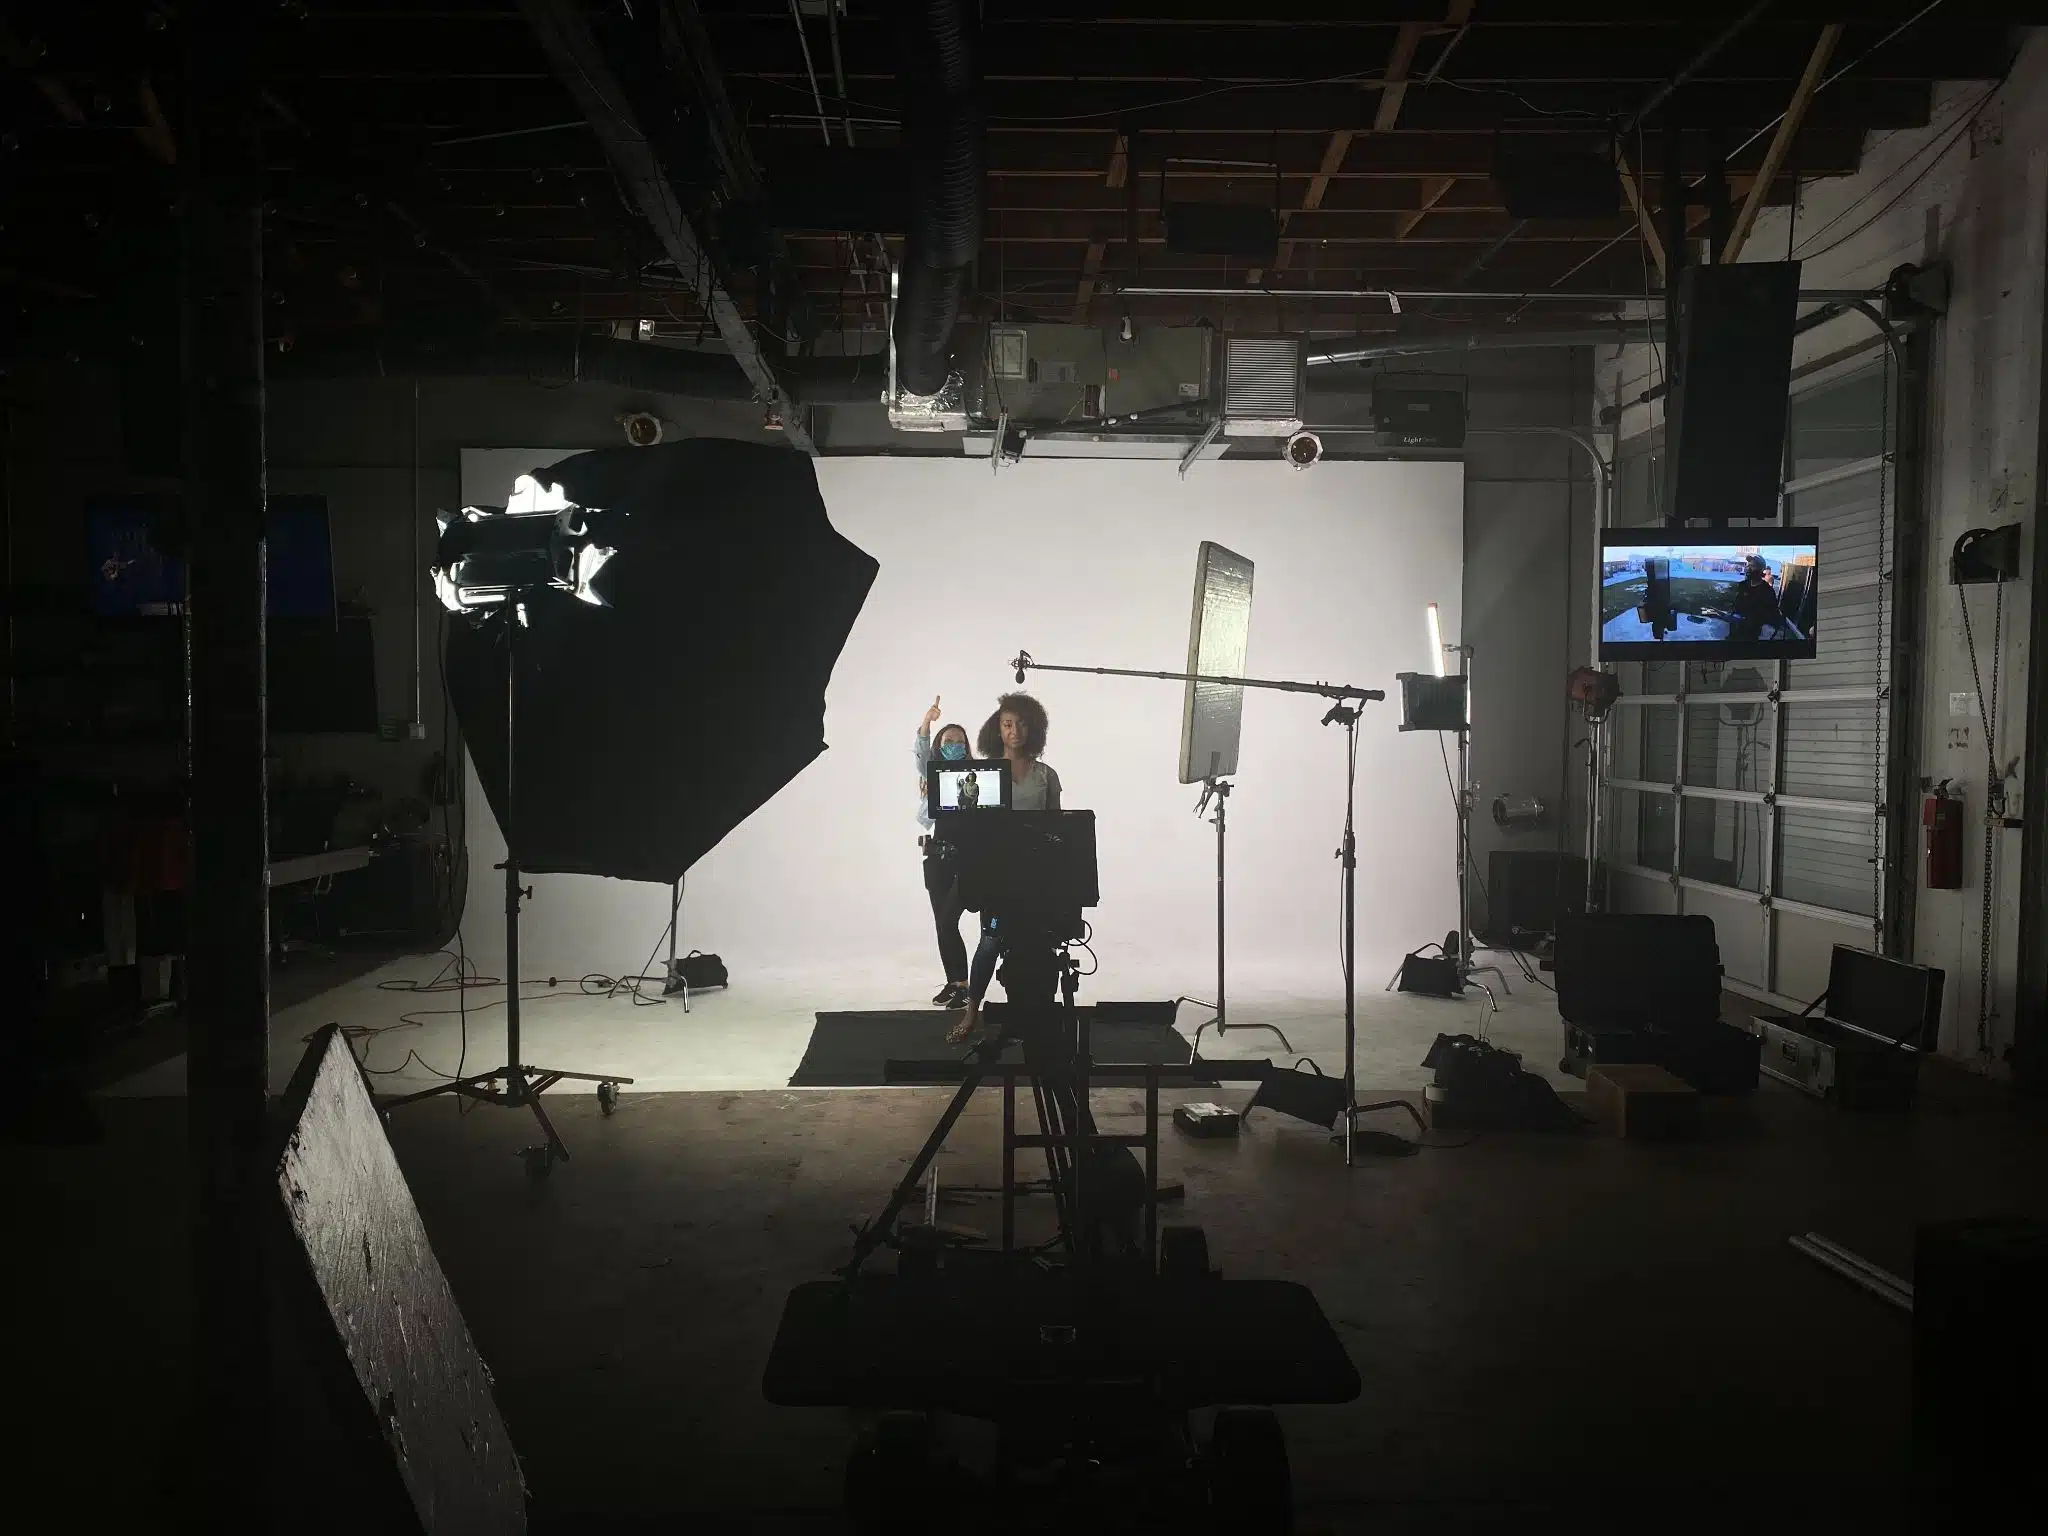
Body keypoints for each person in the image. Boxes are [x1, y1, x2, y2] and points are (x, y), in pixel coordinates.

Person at [948, 692, 1062, 1045]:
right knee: (990, 941)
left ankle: (1036, 1012)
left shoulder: (1046, 775)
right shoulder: (981, 774)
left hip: (1037, 875)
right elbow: (971, 825)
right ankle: (971, 1012)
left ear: (1034, 729)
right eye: (1008, 724)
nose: (1015, 731)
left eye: (1022, 724)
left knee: (1039, 944)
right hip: (997, 874)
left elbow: (1059, 828)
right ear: (997, 729)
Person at [915, 697, 974, 1008]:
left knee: (950, 919)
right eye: (948, 741)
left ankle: (965, 985)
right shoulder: (932, 771)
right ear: (939, 744)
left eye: (959, 742)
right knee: (942, 923)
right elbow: (921, 752)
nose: (954, 745)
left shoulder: (977, 775)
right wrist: (927, 722)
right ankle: (956, 984)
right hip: (937, 857)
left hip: (968, 859)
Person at [1723, 554, 1787, 642]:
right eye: (1748, 565)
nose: (1748, 568)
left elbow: (1773, 615)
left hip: (1751, 636)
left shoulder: (1767, 590)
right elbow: (1736, 603)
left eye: (1752, 566)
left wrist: (1754, 620)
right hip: (1734, 633)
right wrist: (1731, 611)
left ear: (1760, 569)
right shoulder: (1743, 585)